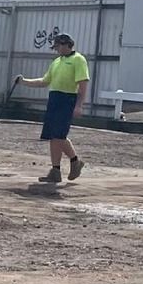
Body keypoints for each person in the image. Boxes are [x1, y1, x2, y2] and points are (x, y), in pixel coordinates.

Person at [20, 34, 90, 184]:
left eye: (58, 46)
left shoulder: (78, 59)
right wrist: (24, 81)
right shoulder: (57, 61)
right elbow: (44, 81)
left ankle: (72, 162)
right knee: (53, 136)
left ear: (66, 44)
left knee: (59, 135)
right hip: (54, 99)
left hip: (67, 99)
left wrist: (79, 105)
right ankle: (57, 170)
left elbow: (83, 83)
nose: (56, 50)